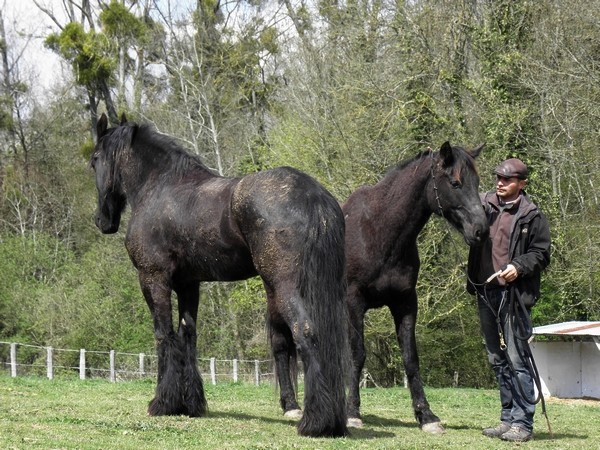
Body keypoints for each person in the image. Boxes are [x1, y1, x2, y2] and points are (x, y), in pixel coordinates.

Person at [466, 158, 551, 442]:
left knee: (517, 359)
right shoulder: (484, 205)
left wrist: (519, 266)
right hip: (486, 292)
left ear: (522, 183)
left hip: (512, 296)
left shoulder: (531, 215)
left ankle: (523, 424)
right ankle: (506, 419)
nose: (500, 183)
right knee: (496, 358)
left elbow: (541, 253)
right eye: (498, 178)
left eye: (508, 180)